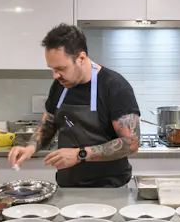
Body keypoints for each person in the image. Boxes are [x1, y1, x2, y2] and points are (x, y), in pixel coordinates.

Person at [8, 24, 140, 187]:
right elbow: (49, 124)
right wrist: (30, 147)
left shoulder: (114, 86)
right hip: (67, 186)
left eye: (61, 68)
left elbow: (131, 143)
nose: (55, 75)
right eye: (52, 68)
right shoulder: (59, 85)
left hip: (109, 189)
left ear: (81, 58)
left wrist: (80, 155)